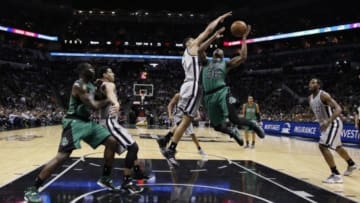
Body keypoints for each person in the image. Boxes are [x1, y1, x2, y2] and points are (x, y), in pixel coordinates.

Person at [24, 63, 119, 202]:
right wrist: (110, 100)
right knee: (62, 157)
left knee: (112, 142)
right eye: (89, 68)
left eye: (93, 68)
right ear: (81, 72)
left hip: (88, 122)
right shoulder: (78, 85)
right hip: (74, 122)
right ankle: (32, 188)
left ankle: (105, 177)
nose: (92, 69)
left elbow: (99, 95)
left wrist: (103, 87)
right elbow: (93, 105)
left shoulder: (92, 85)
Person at [162, 11, 233, 167]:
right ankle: (170, 149)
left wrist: (215, 37)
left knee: (185, 120)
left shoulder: (188, 53)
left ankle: (166, 140)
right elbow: (206, 31)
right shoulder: (192, 46)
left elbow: (203, 46)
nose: (196, 40)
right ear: (189, 43)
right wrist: (219, 19)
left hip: (188, 85)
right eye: (193, 39)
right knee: (187, 120)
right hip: (193, 85)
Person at [198, 24, 265, 148]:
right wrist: (214, 36)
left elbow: (243, 57)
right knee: (216, 126)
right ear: (213, 53)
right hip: (208, 96)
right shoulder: (206, 62)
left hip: (221, 92)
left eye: (220, 50)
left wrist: (244, 37)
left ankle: (253, 125)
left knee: (234, 119)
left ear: (223, 55)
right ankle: (232, 133)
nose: (218, 50)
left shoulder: (226, 64)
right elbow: (200, 50)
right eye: (216, 49)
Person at [93, 66, 144, 194]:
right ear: (104, 74)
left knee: (111, 148)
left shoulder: (99, 84)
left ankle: (105, 177)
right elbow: (111, 94)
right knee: (133, 147)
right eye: (110, 71)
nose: (113, 73)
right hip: (110, 122)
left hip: (103, 122)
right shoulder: (109, 84)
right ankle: (127, 182)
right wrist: (116, 103)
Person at [308, 78, 358, 183]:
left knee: (322, 146)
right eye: (310, 83)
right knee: (338, 147)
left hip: (333, 124)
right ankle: (351, 164)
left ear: (318, 85)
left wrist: (328, 121)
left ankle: (336, 174)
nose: (310, 84)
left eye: (313, 82)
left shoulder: (324, 95)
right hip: (325, 125)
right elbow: (316, 112)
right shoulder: (310, 98)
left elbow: (338, 108)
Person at [156, 92, 207, 161]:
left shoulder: (192, 99)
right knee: (185, 132)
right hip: (177, 116)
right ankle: (169, 146)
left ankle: (165, 140)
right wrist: (170, 115)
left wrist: (195, 118)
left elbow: (197, 115)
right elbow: (170, 105)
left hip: (186, 117)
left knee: (191, 134)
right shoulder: (178, 95)